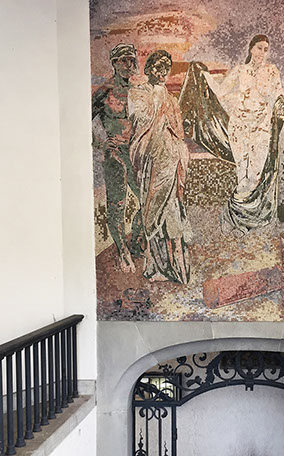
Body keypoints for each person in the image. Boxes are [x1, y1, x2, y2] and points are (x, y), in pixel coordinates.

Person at [180, 35, 284, 235]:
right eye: (259, 48)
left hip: (261, 127)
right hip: (239, 127)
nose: (262, 53)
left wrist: (281, 104)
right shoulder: (240, 71)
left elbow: (279, 93)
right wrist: (204, 75)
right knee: (242, 175)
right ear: (251, 48)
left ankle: (239, 217)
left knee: (254, 175)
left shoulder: (272, 71)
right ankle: (238, 221)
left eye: (265, 49)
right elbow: (221, 91)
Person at [128, 50, 192, 284]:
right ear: (149, 69)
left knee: (172, 212)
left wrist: (179, 151)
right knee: (151, 210)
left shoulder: (171, 99)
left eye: (166, 67)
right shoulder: (138, 93)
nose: (163, 71)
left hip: (170, 162)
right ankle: (155, 266)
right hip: (150, 161)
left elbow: (179, 132)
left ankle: (176, 268)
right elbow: (138, 121)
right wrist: (158, 112)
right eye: (158, 66)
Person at [92, 43, 141, 272]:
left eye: (131, 59)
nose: (129, 64)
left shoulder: (139, 92)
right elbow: (79, 119)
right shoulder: (105, 91)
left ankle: (136, 242)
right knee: (117, 205)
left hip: (136, 154)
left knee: (147, 200)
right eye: (123, 60)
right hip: (114, 155)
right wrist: (101, 143)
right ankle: (123, 252)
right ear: (114, 63)